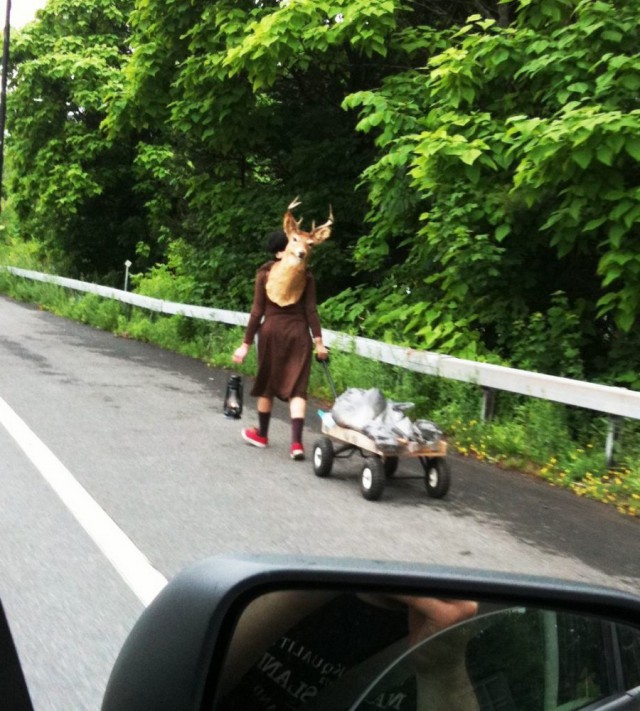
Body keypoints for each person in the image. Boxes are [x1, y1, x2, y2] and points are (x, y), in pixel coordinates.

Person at [232, 227, 329, 461]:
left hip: (271, 333)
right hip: (299, 335)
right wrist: (319, 343)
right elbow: (311, 311)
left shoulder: (264, 274)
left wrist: (245, 344)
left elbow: (257, 312)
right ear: (280, 252)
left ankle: (262, 435)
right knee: (298, 389)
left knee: (267, 383)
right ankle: (296, 444)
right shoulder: (306, 277)